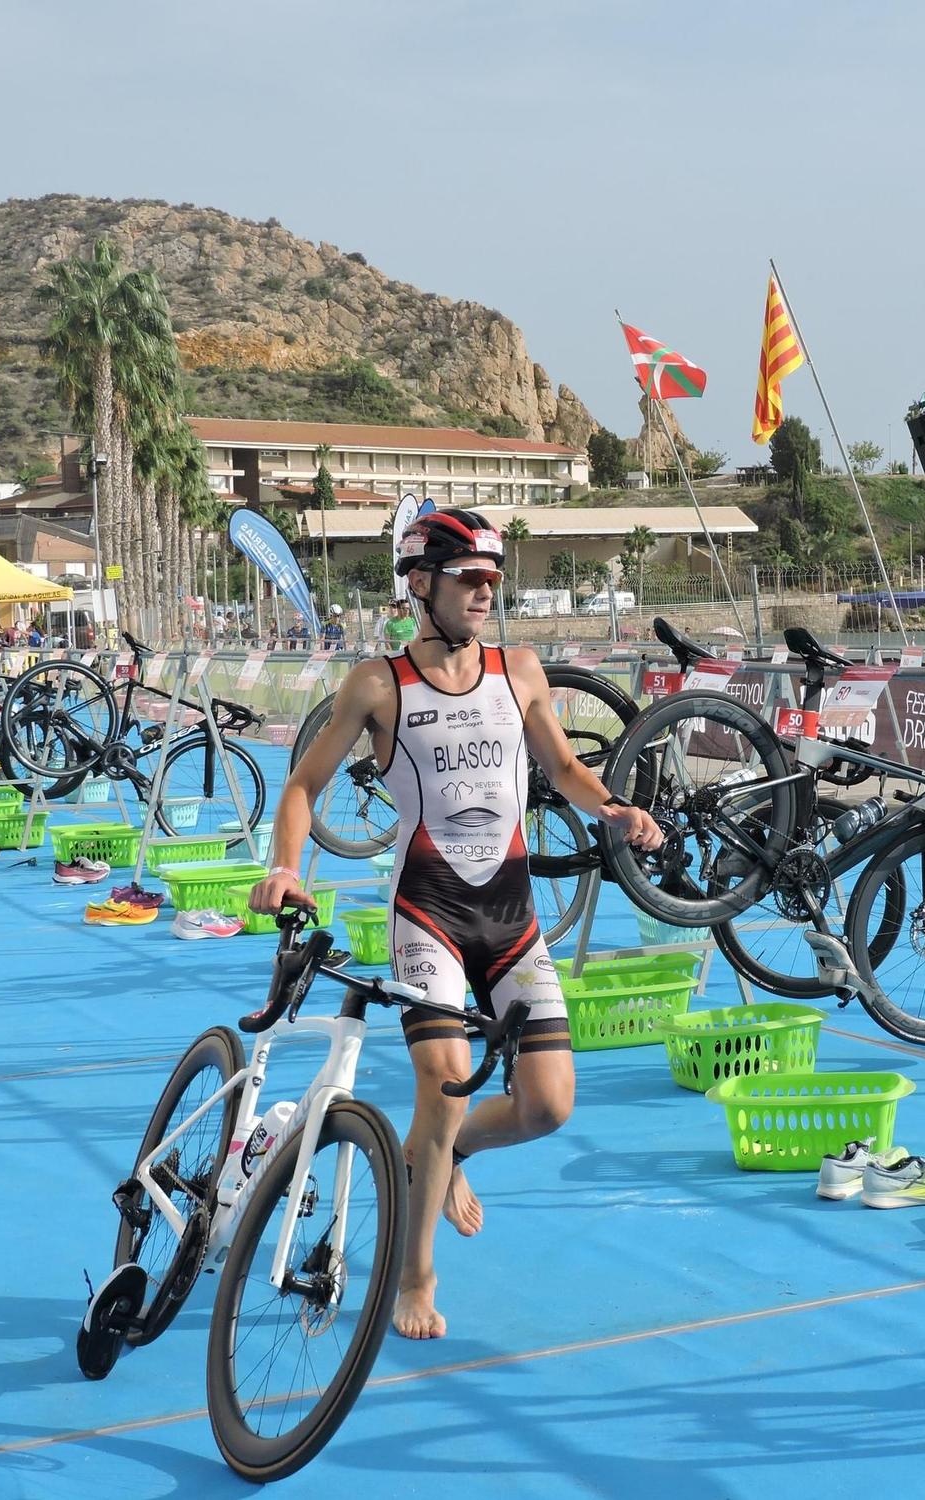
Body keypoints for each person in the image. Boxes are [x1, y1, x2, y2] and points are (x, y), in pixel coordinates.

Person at [249, 508, 663, 1342]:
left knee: (547, 1107)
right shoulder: (378, 683)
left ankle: (442, 1154)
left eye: (490, 579)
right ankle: (415, 1276)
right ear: (421, 583)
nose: (483, 593)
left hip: (511, 916)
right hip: (428, 912)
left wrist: (614, 808)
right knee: (441, 1085)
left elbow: (563, 767)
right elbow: (301, 787)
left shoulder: (522, 669)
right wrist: (286, 867)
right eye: (467, 578)